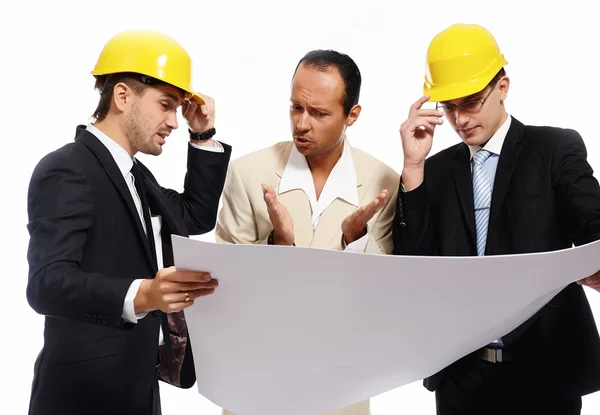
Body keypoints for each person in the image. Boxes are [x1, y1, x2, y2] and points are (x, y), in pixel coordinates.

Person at [393, 23, 600, 414]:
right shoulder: (433, 170)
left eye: (470, 103)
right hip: (461, 376)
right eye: (449, 107)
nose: (460, 119)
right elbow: (413, 265)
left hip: (544, 370)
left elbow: (594, 225)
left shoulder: (554, 149)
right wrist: (413, 167)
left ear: (502, 87)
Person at [25, 30, 232, 415]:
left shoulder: (137, 177)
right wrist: (143, 295)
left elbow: (194, 215)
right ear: (123, 96)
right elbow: (46, 284)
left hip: (136, 388)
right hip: (81, 396)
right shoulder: (67, 168)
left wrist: (202, 135)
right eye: (166, 105)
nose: (173, 121)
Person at [216, 50, 399, 415]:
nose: (302, 123)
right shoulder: (248, 173)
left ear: (352, 115)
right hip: (257, 386)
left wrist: (355, 240)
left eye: (319, 113)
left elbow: (384, 297)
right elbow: (225, 290)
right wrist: (279, 244)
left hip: (340, 389)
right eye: (295, 107)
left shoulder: (383, 182)